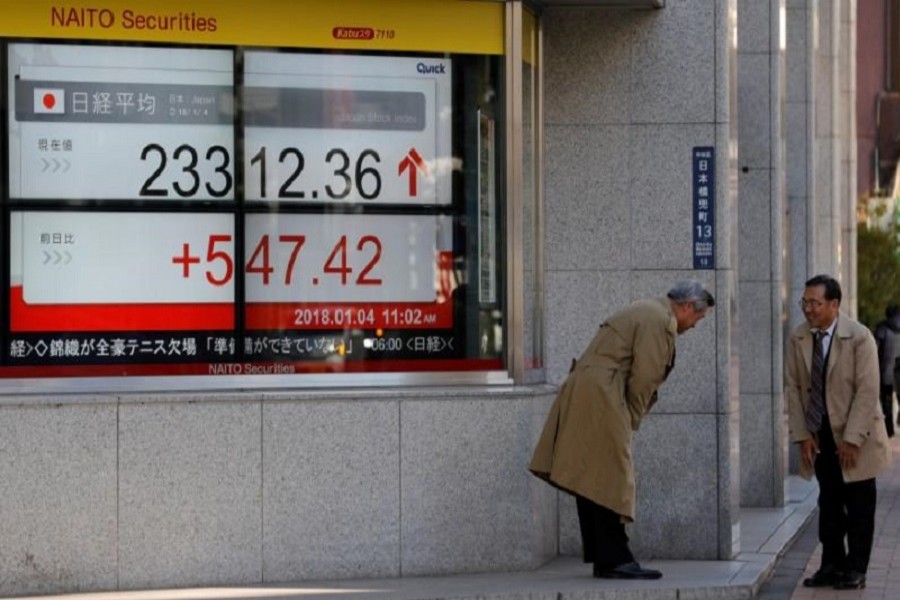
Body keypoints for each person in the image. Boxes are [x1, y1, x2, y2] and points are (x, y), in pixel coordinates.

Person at [529, 280, 715, 580]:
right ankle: (615, 558)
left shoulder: (649, 309)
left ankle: (607, 556)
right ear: (686, 306)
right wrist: (630, 418)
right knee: (610, 476)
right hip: (603, 394)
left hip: (593, 389)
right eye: (698, 317)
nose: (695, 325)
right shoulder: (660, 319)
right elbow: (645, 376)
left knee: (592, 475)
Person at [786, 274, 892, 591]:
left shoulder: (860, 338)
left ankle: (855, 569)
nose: (808, 309)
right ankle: (831, 565)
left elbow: (868, 390)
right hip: (820, 435)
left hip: (856, 437)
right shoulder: (799, 338)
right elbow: (793, 389)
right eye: (804, 302)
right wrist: (802, 434)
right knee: (829, 503)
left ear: (834, 304)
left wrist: (852, 438)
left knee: (860, 506)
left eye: (814, 303)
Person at [873, 302, 900, 436]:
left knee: (886, 401)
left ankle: (889, 430)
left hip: (885, 371)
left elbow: (874, 350)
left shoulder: (882, 329)